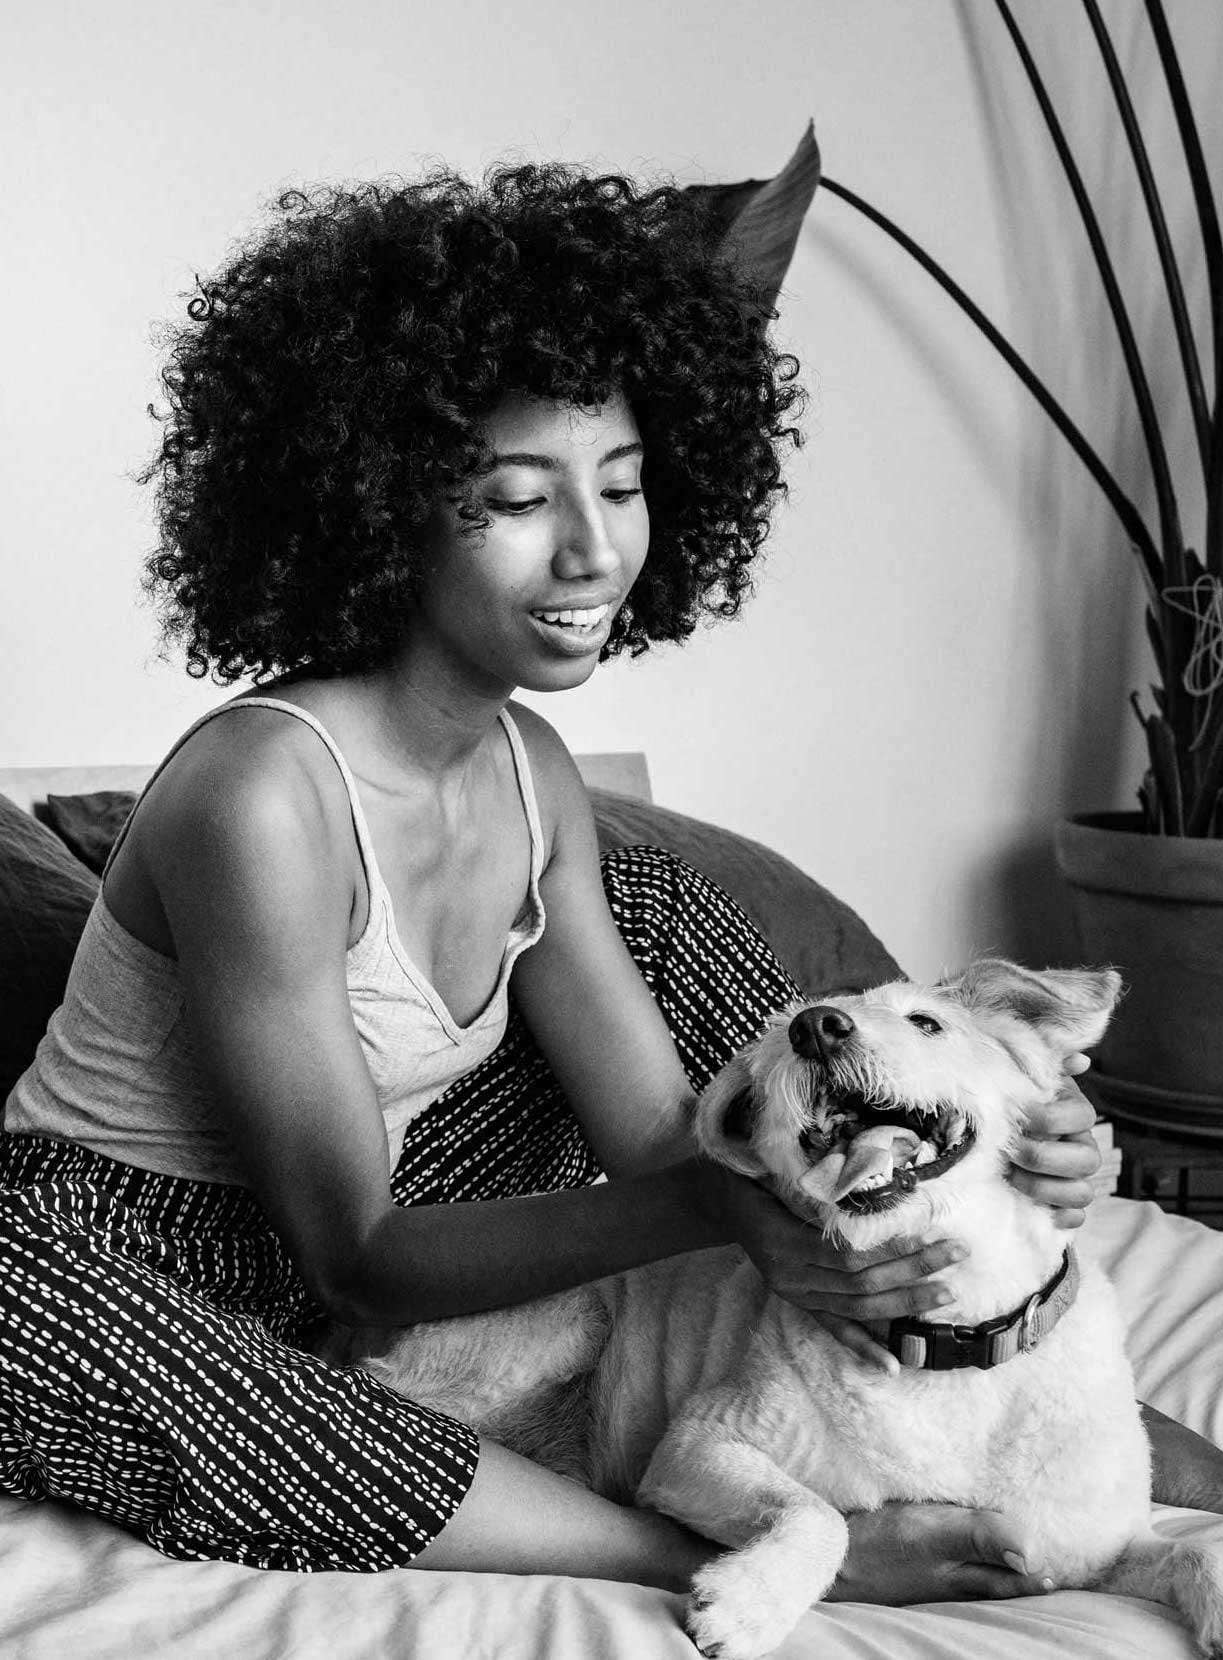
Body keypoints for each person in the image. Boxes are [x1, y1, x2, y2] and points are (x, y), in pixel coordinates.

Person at [0, 161, 1161, 1602]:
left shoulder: (534, 769)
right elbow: (356, 1253)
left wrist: (1007, 1138)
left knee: (657, 907)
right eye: (515, 497)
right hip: (133, 1257)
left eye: (620, 485)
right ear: (380, 508)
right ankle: (703, 1548)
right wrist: (736, 1201)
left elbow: (667, 1138)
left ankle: (1033, 1350)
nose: (596, 549)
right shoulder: (261, 793)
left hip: (405, 1212)